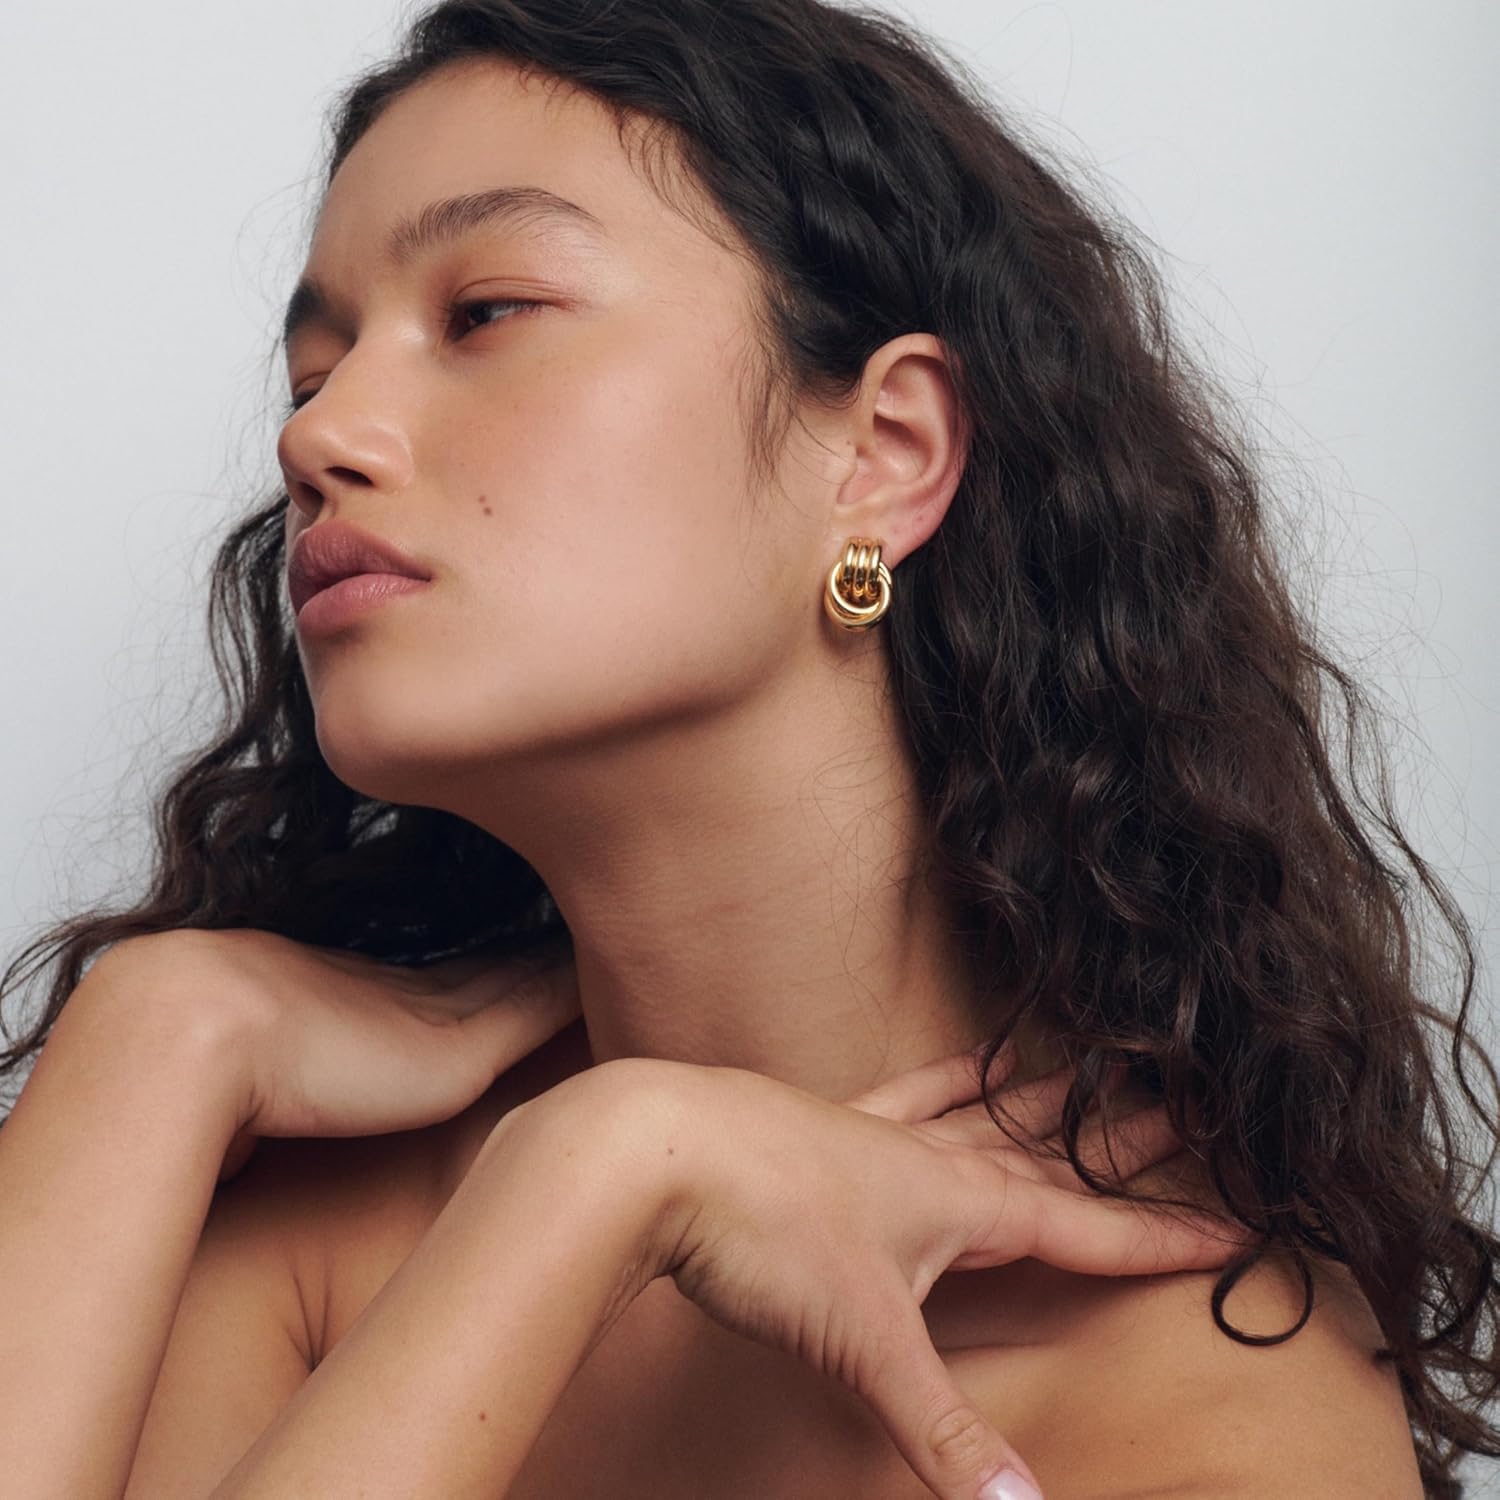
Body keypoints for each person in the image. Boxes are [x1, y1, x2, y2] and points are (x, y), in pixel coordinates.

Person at [1, 0, 1495, 1495]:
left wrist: (603, 1169)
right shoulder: (302, 1224)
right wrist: (158, 1031)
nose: (316, 439)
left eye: (486, 313)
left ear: (886, 452)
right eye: (314, 376)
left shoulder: (1207, 1393)